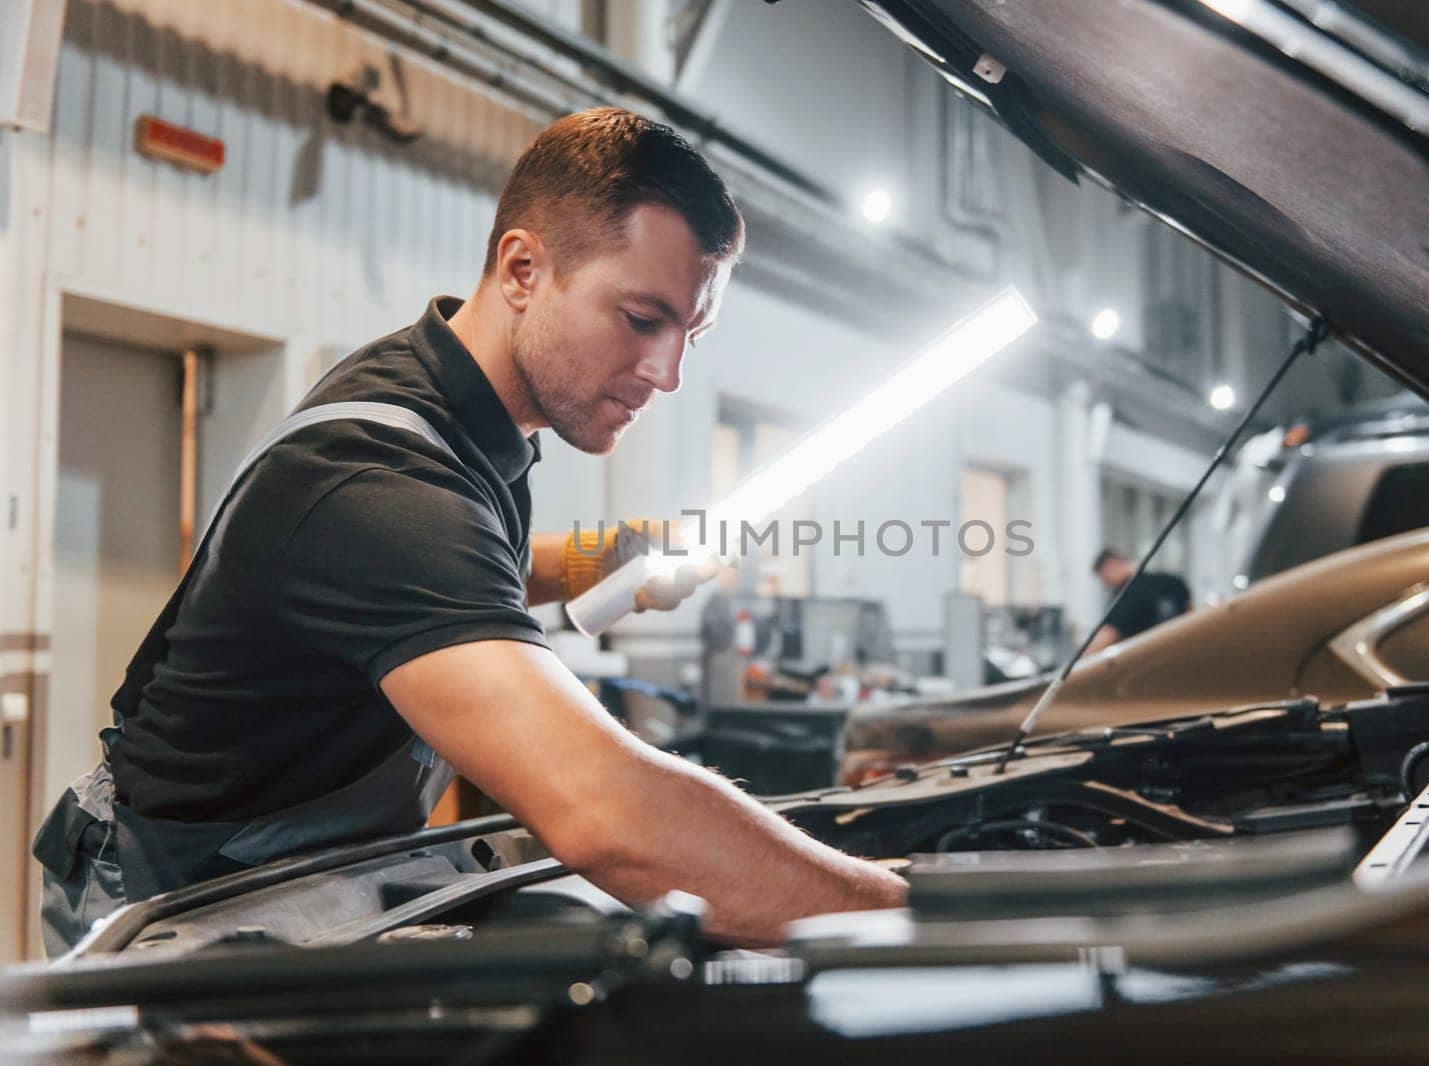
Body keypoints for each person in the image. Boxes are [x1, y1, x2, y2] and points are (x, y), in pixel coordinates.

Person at [32, 107, 905, 957]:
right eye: (643, 321)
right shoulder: (373, 481)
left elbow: (468, 571)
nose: (668, 373)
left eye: (690, 331)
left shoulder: (461, 410)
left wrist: (611, 559)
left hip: (305, 867)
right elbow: (607, 812)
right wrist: (907, 910)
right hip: (180, 894)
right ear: (523, 270)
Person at [1084, 548, 1191, 653]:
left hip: (1151, 659)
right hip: (1183, 652)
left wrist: (1081, 662)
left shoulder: (1125, 596)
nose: (1106, 584)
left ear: (1111, 565)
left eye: (1104, 578)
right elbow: (1190, 613)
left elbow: (1108, 637)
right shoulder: (1172, 582)